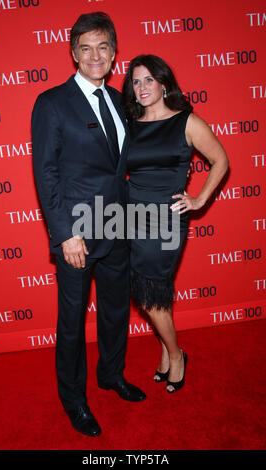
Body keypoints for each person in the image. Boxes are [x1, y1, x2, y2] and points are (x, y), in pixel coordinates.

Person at [31, 12, 146, 438]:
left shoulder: (120, 101)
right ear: (73, 54)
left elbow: (126, 165)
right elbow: (47, 174)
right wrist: (64, 233)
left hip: (118, 224)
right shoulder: (52, 103)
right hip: (77, 229)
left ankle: (111, 375)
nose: (95, 55)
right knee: (73, 320)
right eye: (86, 48)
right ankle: (74, 400)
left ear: (114, 54)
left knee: (116, 309)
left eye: (103, 47)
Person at [122, 55, 229, 393]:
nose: (141, 87)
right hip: (130, 218)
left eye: (148, 80)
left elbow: (220, 160)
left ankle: (177, 355)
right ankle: (169, 351)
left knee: (152, 296)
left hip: (166, 221)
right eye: (136, 82)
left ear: (163, 83)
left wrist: (198, 200)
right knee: (149, 294)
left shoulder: (186, 121)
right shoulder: (130, 123)